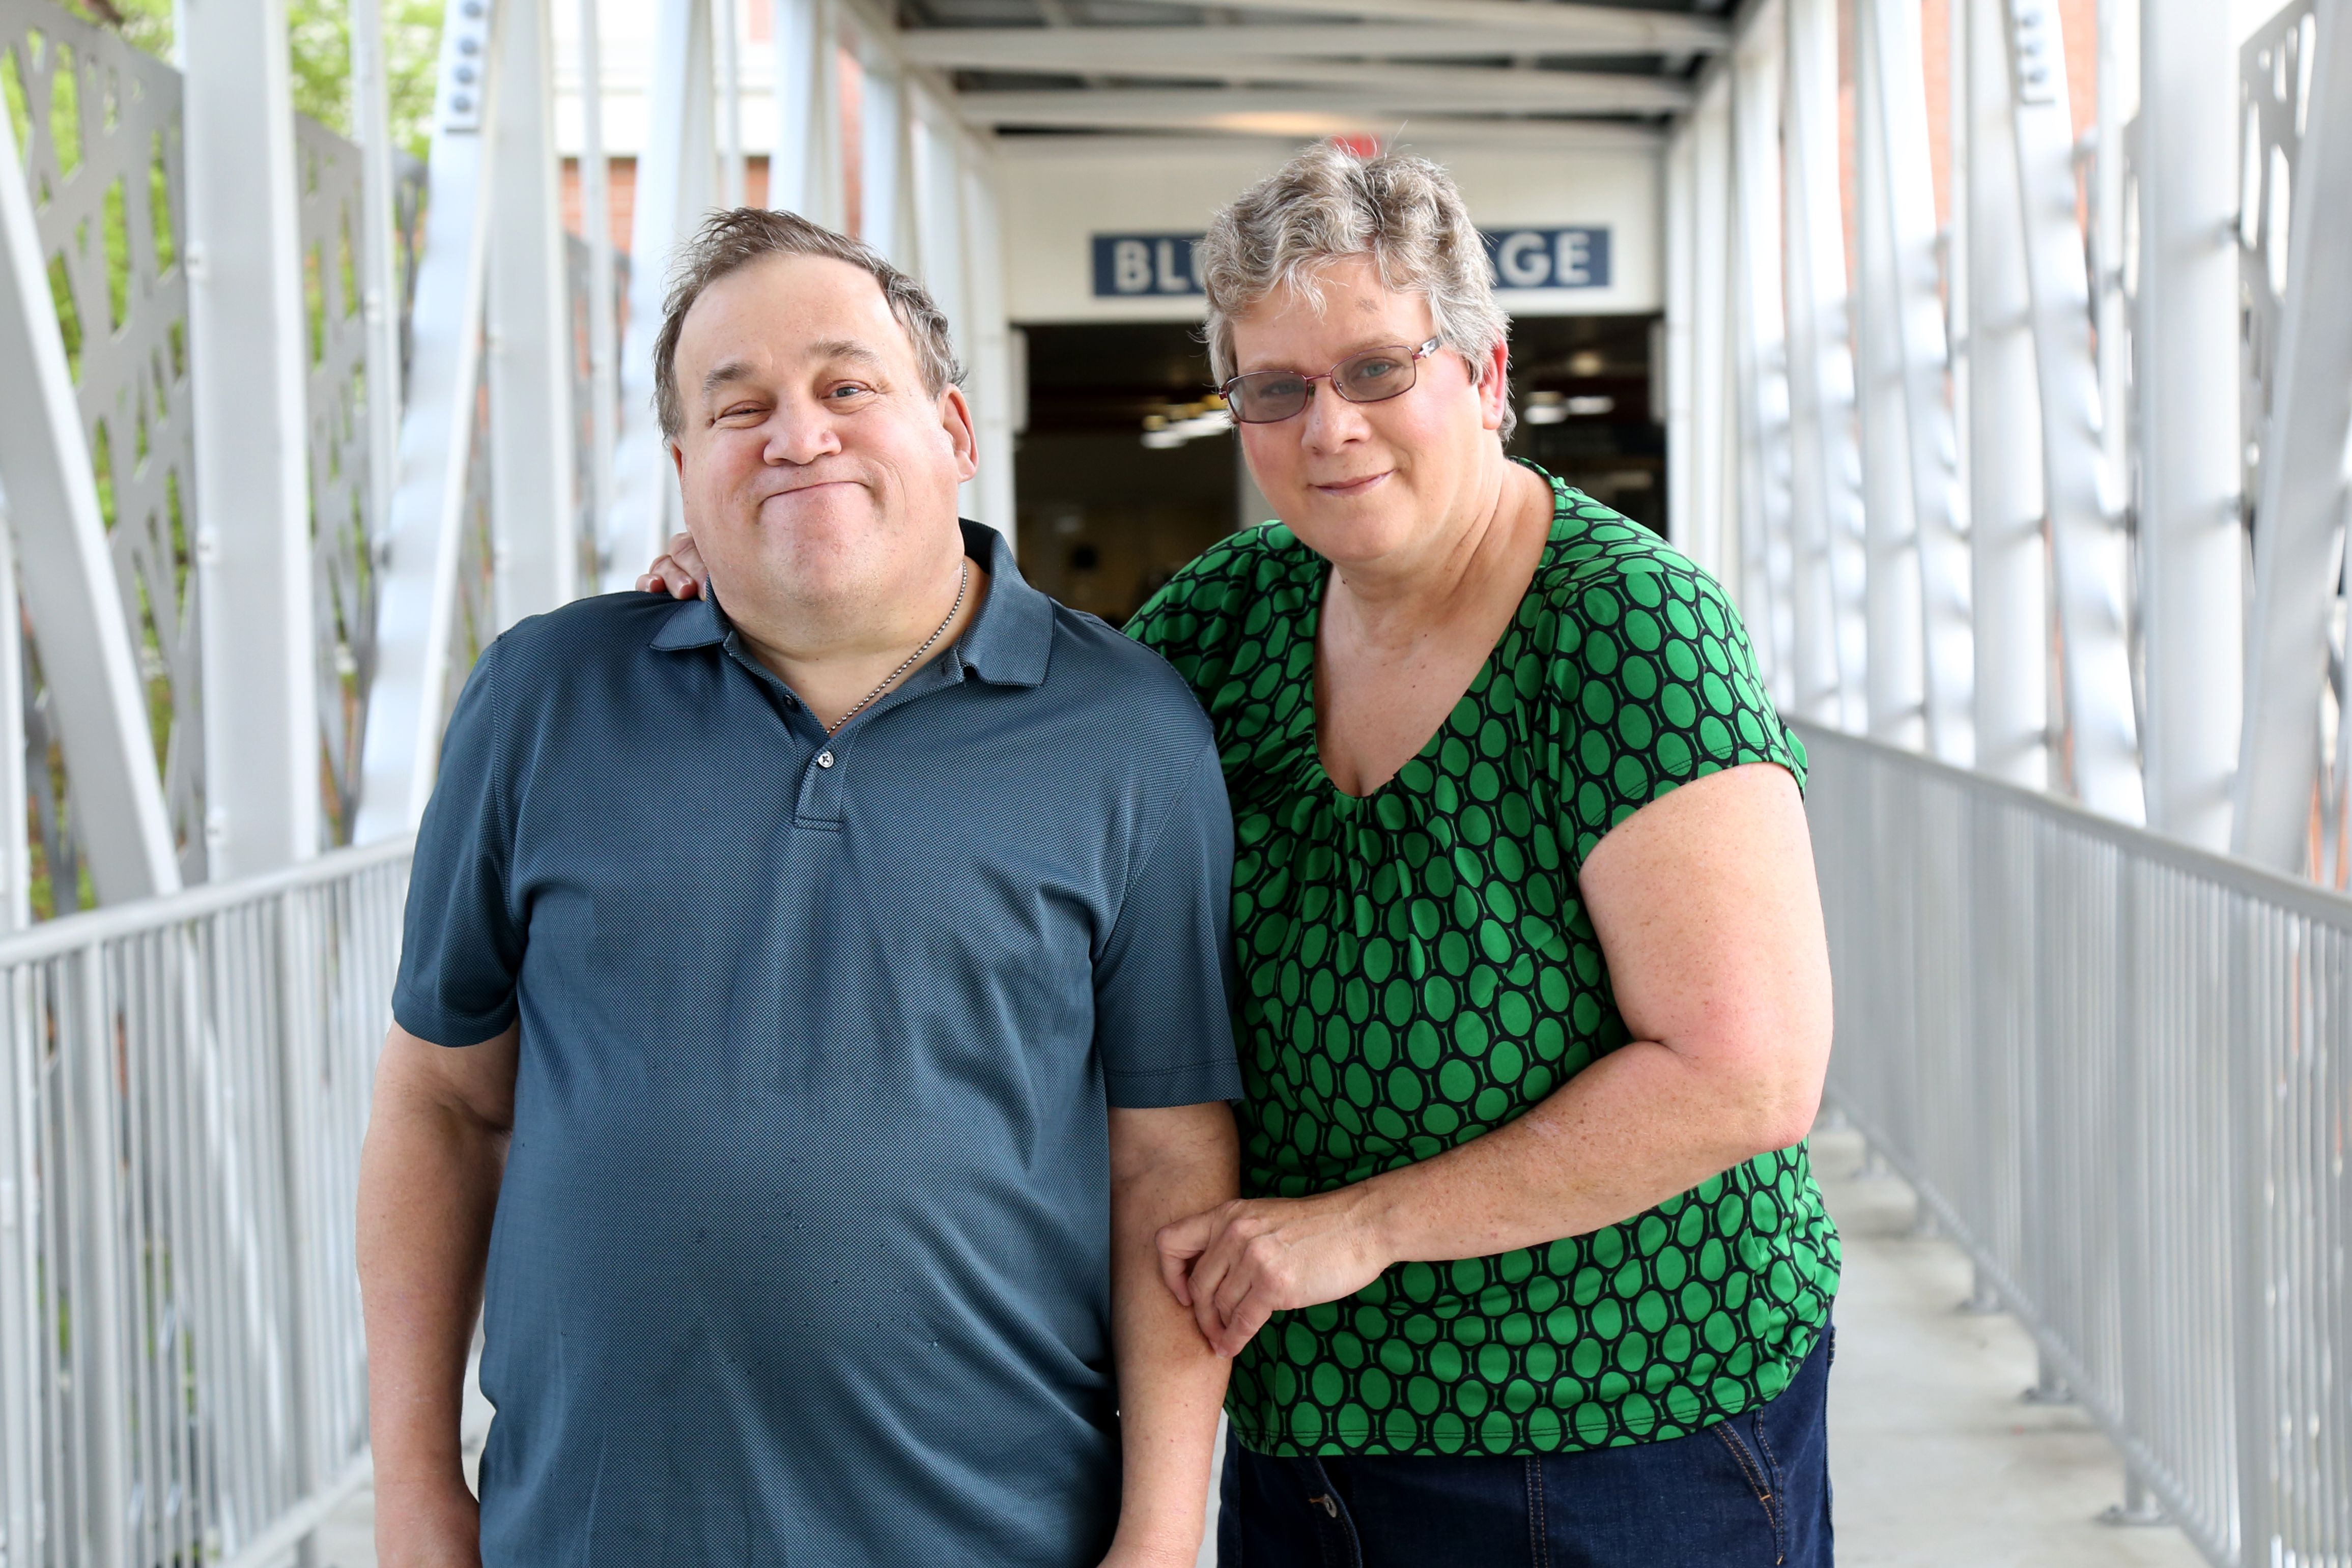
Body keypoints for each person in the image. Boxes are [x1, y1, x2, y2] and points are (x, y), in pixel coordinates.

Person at [642, 148, 1839, 1566]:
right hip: (1307, 1444)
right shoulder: (1229, 619)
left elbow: (1747, 1073)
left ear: (1485, 372)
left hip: (1622, 1441)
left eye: (1378, 370)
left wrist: (1367, 1226)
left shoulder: (1629, 627)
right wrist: (784, 562)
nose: (1329, 426)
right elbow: (986, 706)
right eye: (1276, 388)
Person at [358, 209, 1241, 1568]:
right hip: (592, 1533)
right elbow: (442, 1104)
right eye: (739, 405)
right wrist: (415, 1487)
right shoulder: (543, 698)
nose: (797, 433)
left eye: (846, 386)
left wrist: (1164, 1531)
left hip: (996, 1534)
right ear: (683, 468)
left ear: (950, 429)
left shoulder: (1128, 732)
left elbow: (1167, 1156)